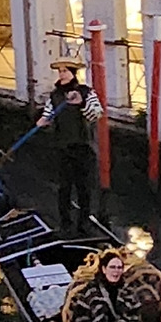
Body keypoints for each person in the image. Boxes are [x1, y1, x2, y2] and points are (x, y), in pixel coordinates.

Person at [36, 56, 104, 234]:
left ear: (73, 73)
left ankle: (84, 222)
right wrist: (43, 121)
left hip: (83, 147)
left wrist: (81, 104)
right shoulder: (55, 96)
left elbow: (96, 114)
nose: (62, 74)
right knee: (64, 187)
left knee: (84, 187)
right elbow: (48, 114)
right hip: (63, 147)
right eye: (60, 71)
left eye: (65, 71)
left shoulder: (86, 93)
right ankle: (65, 223)